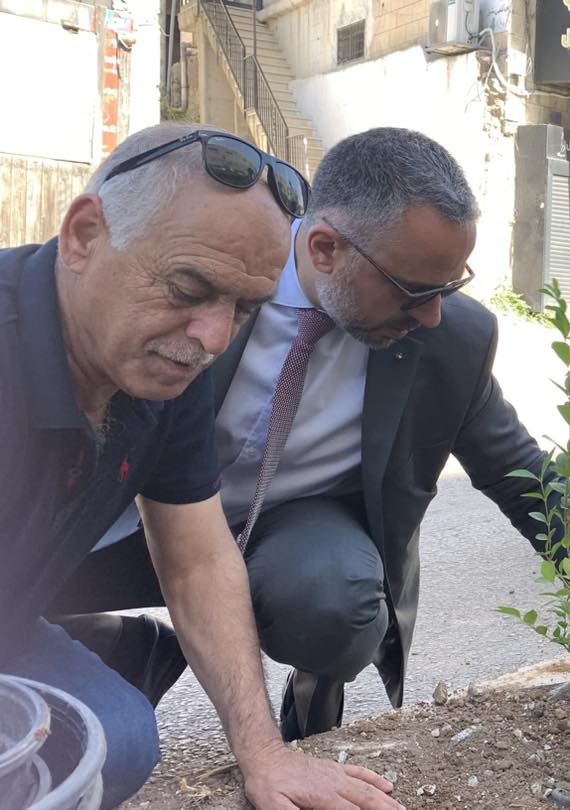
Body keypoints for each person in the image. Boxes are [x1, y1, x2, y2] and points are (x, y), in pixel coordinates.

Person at [50, 126, 570, 741]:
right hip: (139, 513)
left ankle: (312, 718)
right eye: (414, 290)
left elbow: (521, 475)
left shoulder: (449, 340)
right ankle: (112, 648)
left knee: (333, 598)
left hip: (290, 532)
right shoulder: (213, 276)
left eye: (450, 286)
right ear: (323, 248)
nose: (432, 315)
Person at [0, 123, 401, 809]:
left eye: (244, 307)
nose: (212, 338)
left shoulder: (157, 364)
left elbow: (197, 556)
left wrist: (263, 753)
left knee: (120, 739)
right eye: (189, 286)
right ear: (83, 235)